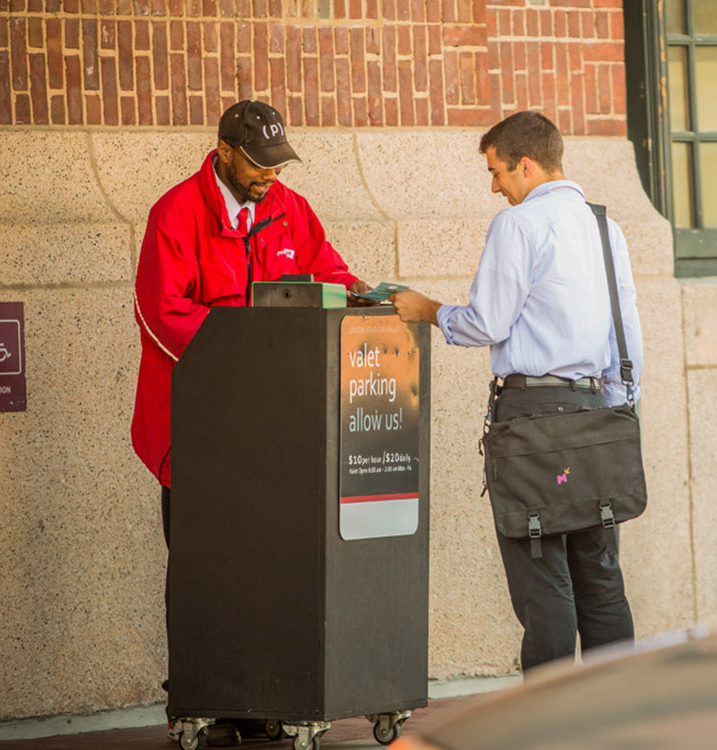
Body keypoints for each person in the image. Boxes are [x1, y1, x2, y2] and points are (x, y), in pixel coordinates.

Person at [131, 99, 373, 746]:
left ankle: (261, 696)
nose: (270, 176)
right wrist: (245, 355)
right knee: (203, 565)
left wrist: (357, 296)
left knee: (268, 561)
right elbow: (160, 312)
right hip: (198, 427)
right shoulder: (176, 213)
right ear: (225, 151)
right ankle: (202, 697)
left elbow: (326, 268)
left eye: (277, 163)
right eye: (259, 164)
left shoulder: (289, 208)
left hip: (273, 427)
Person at [390, 110, 644, 672]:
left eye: (497, 171)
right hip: (597, 414)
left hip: (531, 418)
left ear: (526, 165)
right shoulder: (606, 227)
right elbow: (626, 336)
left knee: (545, 581)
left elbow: (487, 322)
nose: (494, 185)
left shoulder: (519, 225)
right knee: (601, 580)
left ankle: (547, 728)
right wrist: (617, 416)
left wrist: (426, 309)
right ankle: (619, 720)